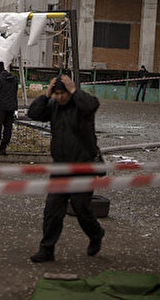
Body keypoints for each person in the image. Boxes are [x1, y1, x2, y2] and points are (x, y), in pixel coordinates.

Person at [26, 75, 105, 262]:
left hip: (82, 167)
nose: (60, 98)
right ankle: (47, 249)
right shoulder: (53, 106)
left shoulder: (82, 106)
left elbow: (92, 105)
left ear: (69, 92)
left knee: (81, 209)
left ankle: (96, 234)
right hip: (60, 167)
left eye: (63, 94)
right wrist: (45, 95)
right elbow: (34, 113)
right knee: (52, 211)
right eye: (57, 94)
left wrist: (75, 90)